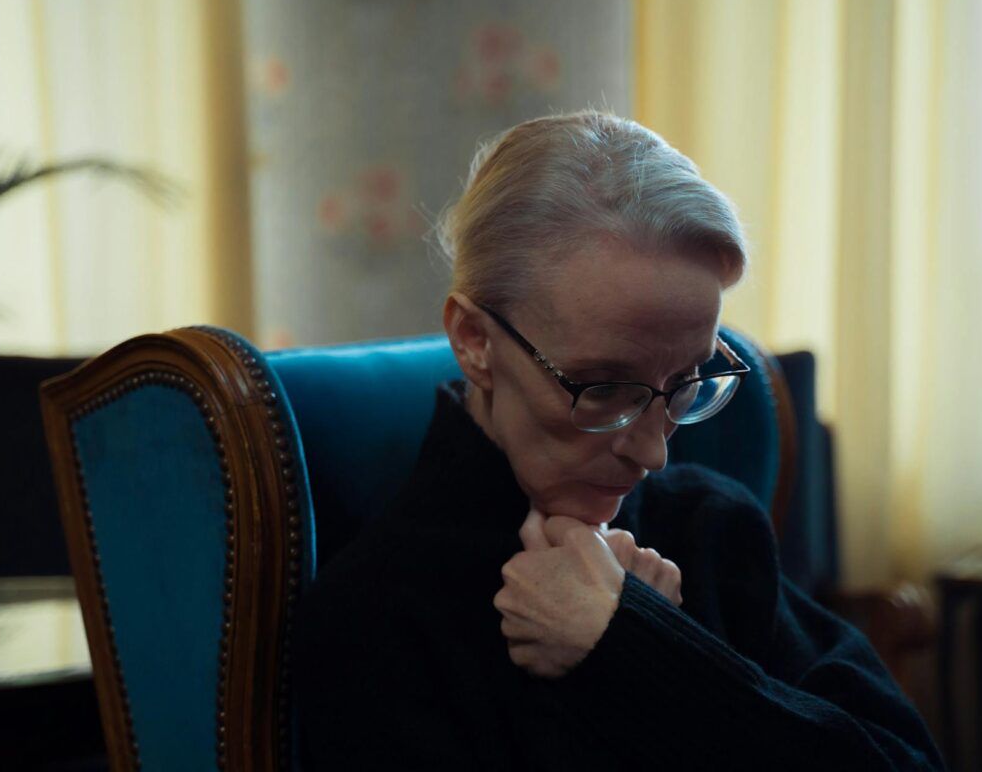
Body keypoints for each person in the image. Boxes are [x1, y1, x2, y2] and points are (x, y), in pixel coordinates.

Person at [293, 111, 943, 770]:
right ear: (475, 342)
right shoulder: (374, 621)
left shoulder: (707, 526)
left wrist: (649, 650)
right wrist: (620, 673)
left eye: (686, 380)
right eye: (601, 388)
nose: (654, 454)